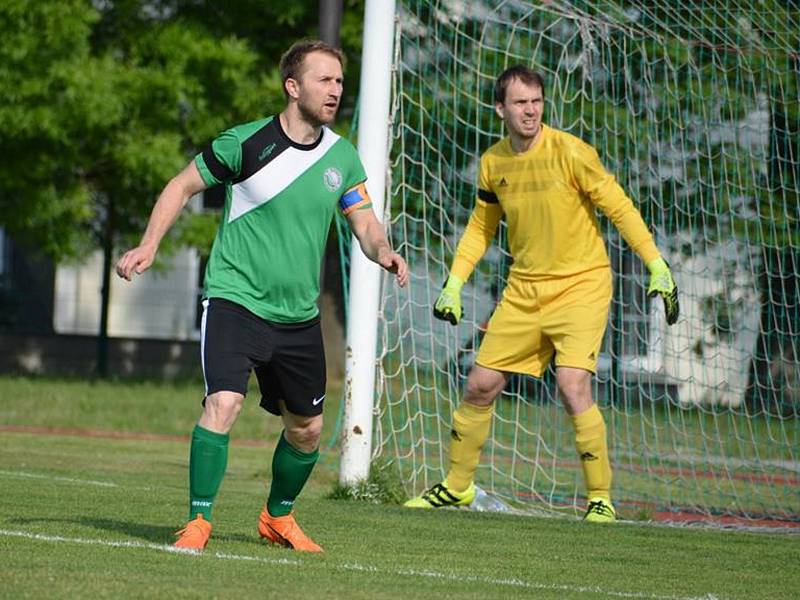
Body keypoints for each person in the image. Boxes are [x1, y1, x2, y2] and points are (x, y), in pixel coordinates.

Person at [116, 39, 408, 551]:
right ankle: (198, 522)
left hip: (296, 317)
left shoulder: (342, 157)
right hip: (234, 300)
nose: (335, 89)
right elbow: (181, 185)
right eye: (324, 79)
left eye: (340, 81)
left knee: (308, 431)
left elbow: (363, 220)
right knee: (224, 403)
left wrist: (382, 249)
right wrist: (148, 243)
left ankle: (277, 517)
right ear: (293, 87)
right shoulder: (246, 144)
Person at [404, 65, 678, 522]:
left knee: (572, 386)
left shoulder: (572, 152)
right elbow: (480, 228)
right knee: (479, 384)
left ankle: (600, 499)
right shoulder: (493, 163)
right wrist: (453, 283)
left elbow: (619, 208)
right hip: (524, 290)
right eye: (520, 103)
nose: (530, 111)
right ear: (500, 109)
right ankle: (456, 488)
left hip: (582, 285)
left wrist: (656, 265)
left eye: (536, 101)